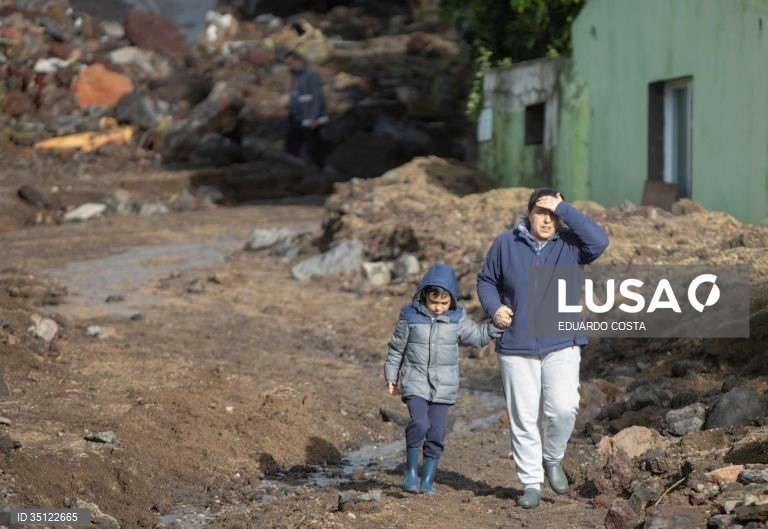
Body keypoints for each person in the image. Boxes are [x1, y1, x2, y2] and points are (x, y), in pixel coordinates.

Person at [476, 188, 609, 509]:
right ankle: (531, 483)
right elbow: (486, 281)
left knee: (564, 408)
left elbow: (600, 241)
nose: (547, 220)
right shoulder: (505, 244)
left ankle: (552, 458)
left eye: (553, 214)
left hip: (562, 340)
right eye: (541, 212)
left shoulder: (572, 244)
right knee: (523, 417)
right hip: (516, 344)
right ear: (529, 214)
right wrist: (494, 308)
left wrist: (564, 207)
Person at [385, 263, 506, 494]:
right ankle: (411, 472)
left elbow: (478, 337)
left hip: (444, 387)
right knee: (420, 423)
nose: (439, 308)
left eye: (444, 303)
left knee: (437, 433)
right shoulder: (410, 317)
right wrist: (391, 377)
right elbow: (396, 349)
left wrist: (495, 327)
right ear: (424, 296)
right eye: (433, 302)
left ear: (452, 299)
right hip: (415, 381)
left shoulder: (457, 319)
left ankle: (428, 479)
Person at [283, 50, 328, 168]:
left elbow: (317, 97)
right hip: (297, 116)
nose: (290, 67)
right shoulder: (295, 76)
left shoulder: (311, 76)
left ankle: (318, 168)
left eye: (291, 63)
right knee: (293, 143)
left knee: (313, 145)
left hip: (309, 118)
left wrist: (313, 117)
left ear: (299, 61)